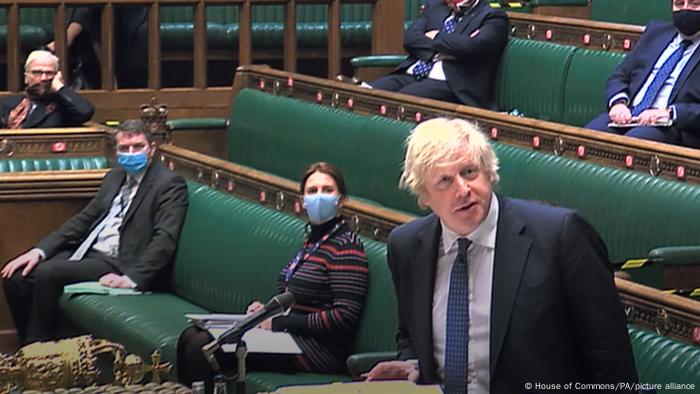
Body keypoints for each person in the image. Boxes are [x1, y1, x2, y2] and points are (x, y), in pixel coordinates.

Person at [364, 118, 638, 393]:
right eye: (445, 181)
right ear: (424, 195)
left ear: (489, 172)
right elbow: (409, 333)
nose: (462, 190)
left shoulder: (560, 236)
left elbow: (610, 356)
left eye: (469, 171)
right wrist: (412, 364)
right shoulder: (407, 246)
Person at [177, 162, 369, 390]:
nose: (319, 196)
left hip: (318, 350)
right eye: (312, 191)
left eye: (327, 190)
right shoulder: (313, 242)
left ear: (341, 199)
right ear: (303, 200)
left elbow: (344, 317)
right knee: (190, 336)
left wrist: (277, 322)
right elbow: (296, 298)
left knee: (202, 345)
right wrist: (265, 312)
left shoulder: (346, 247)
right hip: (289, 337)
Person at [1, 119, 188, 344]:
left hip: (121, 260)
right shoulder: (115, 177)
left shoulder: (168, 184)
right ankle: (31, 346)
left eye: (138, 147)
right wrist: (39, 250)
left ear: (151, 150)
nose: (131, 153)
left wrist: (132, 278)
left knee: (49, 273)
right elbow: (84, 220)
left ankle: (38, 353)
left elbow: (165, 239)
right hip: (90, 251)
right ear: (116, 151)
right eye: (124, 148)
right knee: (17, 277)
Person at [585, 0, 700, 148]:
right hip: (630, 114)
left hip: (673, 126)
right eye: (679, 4)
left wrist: (670, 113)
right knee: (588, 137)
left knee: (633, 143)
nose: (685, 10)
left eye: (694, 4)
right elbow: (620, 76)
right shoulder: (655, 33)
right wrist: (618, 103)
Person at [366, 0, 508, 108]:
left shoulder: (492, 17)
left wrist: (437, 36)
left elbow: (472, 47)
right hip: (412, 73)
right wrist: (448, 48)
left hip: (450, 84)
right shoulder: (435, 7)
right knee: (365, 94)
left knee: (399, 102)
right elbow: (410, 38)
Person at [0, 50, 94, 129]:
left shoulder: (63, 107)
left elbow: (85, 112)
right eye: (37, 72)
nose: (43, 78)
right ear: (26, 77)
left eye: (49, 73)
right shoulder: (7, 104)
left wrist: (60, 88)